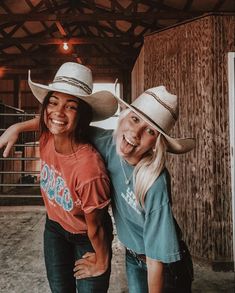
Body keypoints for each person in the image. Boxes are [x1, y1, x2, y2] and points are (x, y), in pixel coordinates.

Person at [0, 83, 195, 292]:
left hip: (163, 264)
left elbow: (157, 256)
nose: (135, 133)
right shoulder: (109, 143)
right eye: (135, 119)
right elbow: (59, 122)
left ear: (158, 143)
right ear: (124, 117)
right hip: (133, 255)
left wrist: (102, 260)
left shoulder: (155, 182)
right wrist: (17, 127)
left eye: (150, 131)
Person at [0, 62, 118, 293]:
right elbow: (48, 121)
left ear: (82, 115)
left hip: (87, 237)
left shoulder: (89, 169)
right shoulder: (47, 137)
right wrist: (16, 127)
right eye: (53, 102)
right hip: (54, 228)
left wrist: (102, 260)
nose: (58, 112)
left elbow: (96, 229)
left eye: (70, 106)